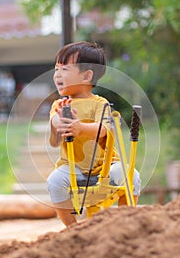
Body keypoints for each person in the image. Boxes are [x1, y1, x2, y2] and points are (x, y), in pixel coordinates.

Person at [47, 41, 141, 226]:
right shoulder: (60, 105)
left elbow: (104, 129)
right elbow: (54, 127)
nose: (57, 74)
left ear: (86, 76)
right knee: (54, 182)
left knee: (132, 176)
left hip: (105, 167)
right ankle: (72, 228)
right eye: (56, 69)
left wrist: (80, 127)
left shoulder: (100, 103)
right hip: (72, 167)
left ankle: (127, 221)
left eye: (64, 69)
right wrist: (62, 122)